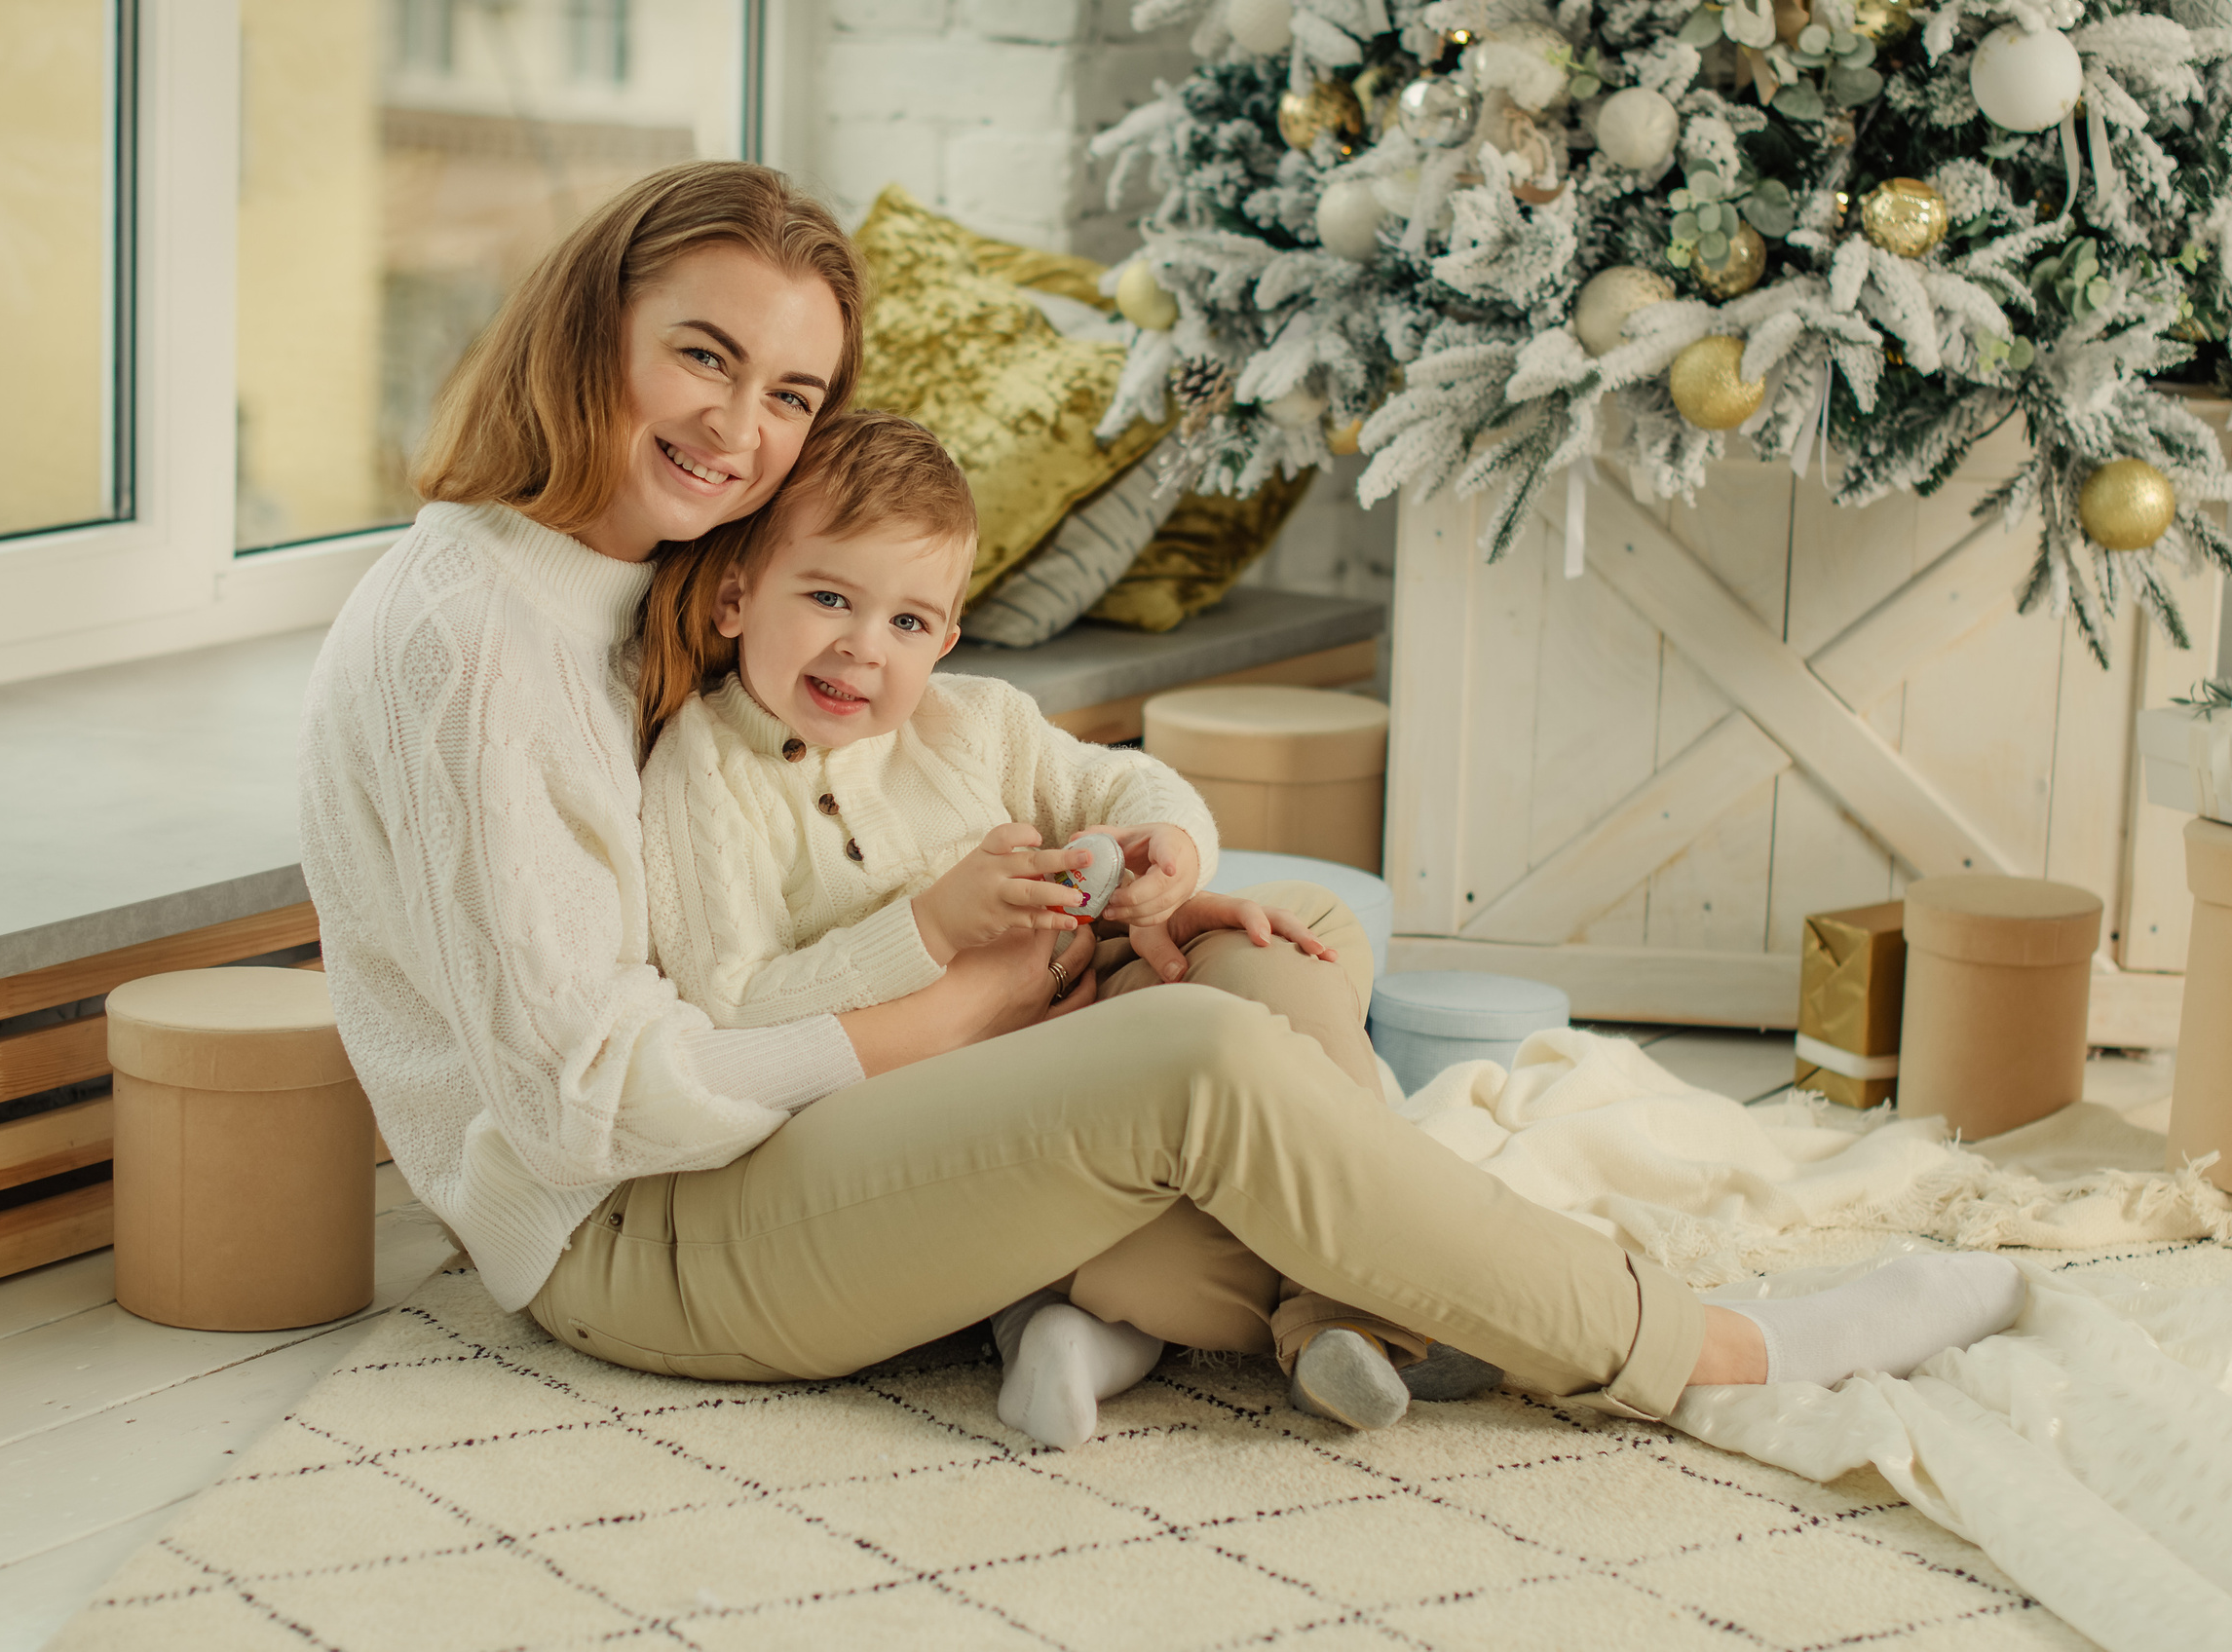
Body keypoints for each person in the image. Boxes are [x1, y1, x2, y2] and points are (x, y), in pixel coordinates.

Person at [295, 159, 2026, 1457]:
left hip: (776, 1144)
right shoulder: (474, 643)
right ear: (592, 324)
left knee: (1274, 952)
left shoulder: (647, 572)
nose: (741, 427)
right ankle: (1710, 1349)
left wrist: (1137, 898)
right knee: (1197, 1061)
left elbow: (880, 798)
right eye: (702, 354)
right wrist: (965, 1002)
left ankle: (1260, 1305)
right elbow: (589, 1103)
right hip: (632, 1235)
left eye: (793, 393)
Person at [638, 406, 1438, 1446]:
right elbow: (734, 1010)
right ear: (736, 596)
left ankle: (1343, 1308)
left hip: (1082, 1049)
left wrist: (1166, 855)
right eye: (829, 597)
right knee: (1178, 1230)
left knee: (1288, 939)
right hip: (917, 1137)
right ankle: (1379, 1290)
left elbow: (1121, 783)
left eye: (908, 623)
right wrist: (928, 931)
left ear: (946, 640)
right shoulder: (704, 772)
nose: (862, 647)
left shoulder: (973, 721)